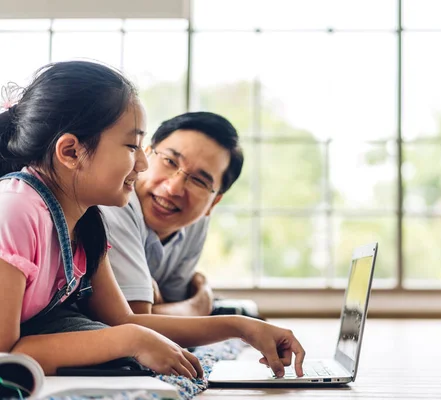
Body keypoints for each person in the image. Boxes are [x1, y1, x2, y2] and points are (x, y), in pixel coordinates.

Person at [0, 60, 304, 378]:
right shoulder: (15, 212)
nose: (144, 163)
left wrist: (242, 327)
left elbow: (124, 319)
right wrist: (130, 340)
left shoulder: (87, 221)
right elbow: (6, 358)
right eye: (133, 146)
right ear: (72, 152)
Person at [100, 112, 243, 317]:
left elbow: (171, 305)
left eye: (199, 181)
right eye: (169, 161)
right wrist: (200, 305)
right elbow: (136, 321)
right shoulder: (114, 202)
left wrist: (161, 305)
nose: (173, 189)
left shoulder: (196, 222)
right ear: (145, 154)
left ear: (214, 202)